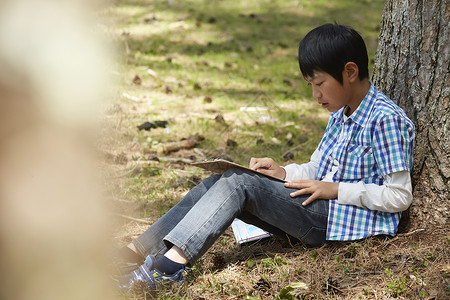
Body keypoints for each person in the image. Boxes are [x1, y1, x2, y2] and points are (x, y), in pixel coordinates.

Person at [113, 23, 415, 291]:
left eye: (320, 84)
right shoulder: (341, 112)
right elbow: (317, 168)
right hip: (316, 206)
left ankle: (167, 270)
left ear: (350, 72)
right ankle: (132, 254)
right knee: (216, 182)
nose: (316, 96)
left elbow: (399, 196)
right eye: (311, 86)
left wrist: (336, 189)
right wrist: (283, 173)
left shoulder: (385, 119)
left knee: (238, 184)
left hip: (337, 220)